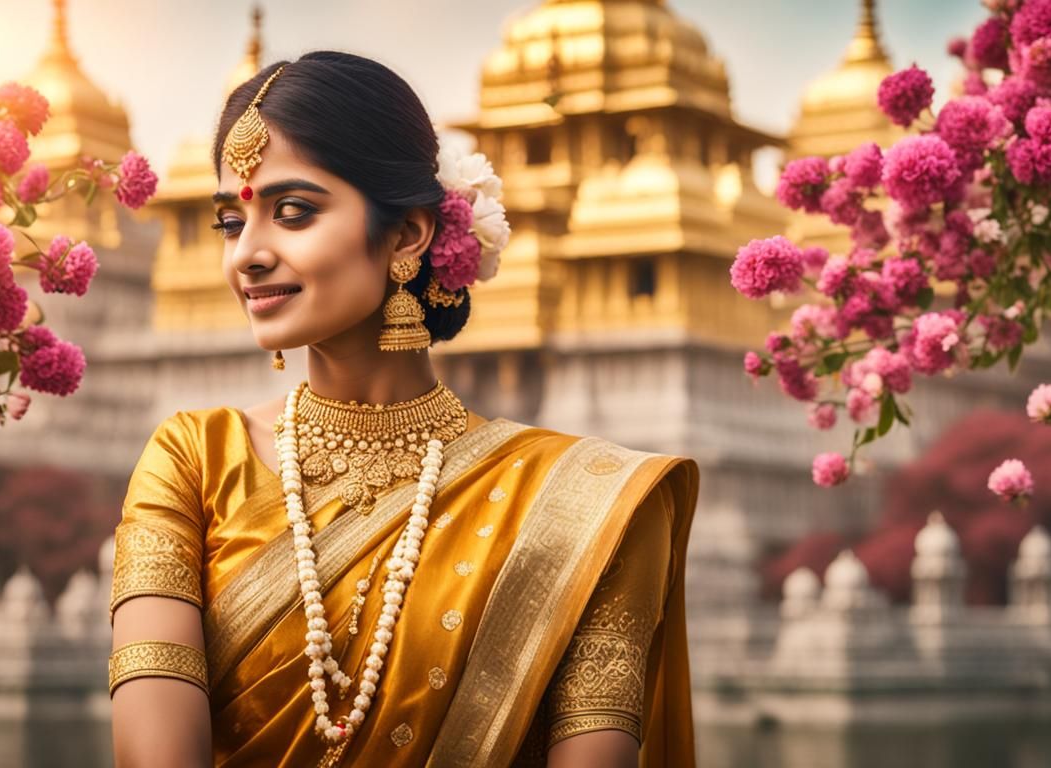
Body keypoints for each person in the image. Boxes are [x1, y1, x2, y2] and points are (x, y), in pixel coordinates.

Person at [107, 50, 699, 768]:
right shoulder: (194, 461)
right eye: (231, 223)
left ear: (409, 234)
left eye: (292, 212)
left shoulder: (587, 504)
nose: (247, 255)